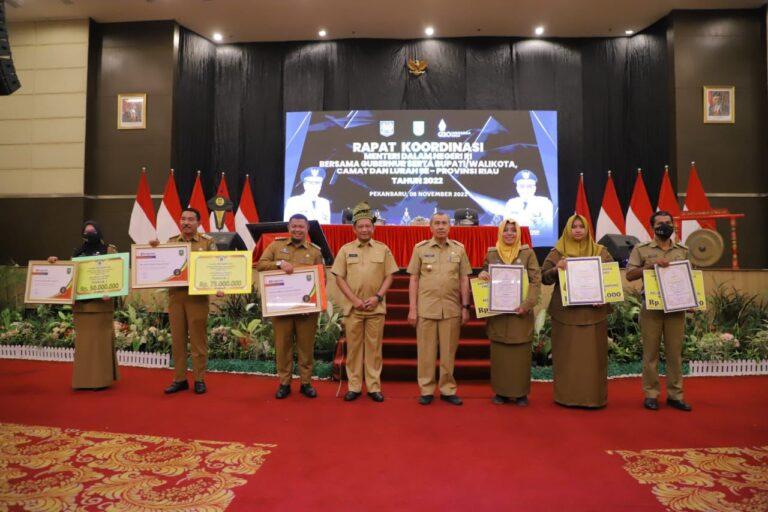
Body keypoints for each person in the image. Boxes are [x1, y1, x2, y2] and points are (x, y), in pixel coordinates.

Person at [541, 214, 613, 408]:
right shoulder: (558, 252)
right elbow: (544, 277)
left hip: (593, 314)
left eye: (582, 226)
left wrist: (603, 296)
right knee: (567, 356)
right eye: (574, 227)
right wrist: (557, 268)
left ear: (587, 229)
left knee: (593, 359)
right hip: (566, 314)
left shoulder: (600, 251)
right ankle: (566, 397)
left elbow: (610, 279)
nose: (578, 230)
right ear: (568, 230)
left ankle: (593, 398)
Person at [331, 202, 399, 402]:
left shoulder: (383, 249)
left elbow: (390, 276)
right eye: (360, 226)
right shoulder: (345, 250)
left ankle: (373, 386)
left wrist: (377, 297)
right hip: (353, 309)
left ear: (373, 228)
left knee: (374, 349)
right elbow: (339, 278)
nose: (364, 229)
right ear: (354, 229)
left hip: (375, 307)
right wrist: (355, 300)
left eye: (368, 226)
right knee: (353, 349)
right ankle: (353, 386)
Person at [626, 211, 692, 412]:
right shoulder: (642, 249)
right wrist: (650, 266)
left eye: (668, 223)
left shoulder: (683, 250)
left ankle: (675, 395)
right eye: (660, 223)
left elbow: (691, 276)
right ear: (652, 227)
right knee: (651, 353)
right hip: (652, 307)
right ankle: (651, 394)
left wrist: (692, 300)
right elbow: (629, 275)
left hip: (677, 308)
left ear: (673, 225)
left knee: (675, 354)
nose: (665, 226)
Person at [151, 208, 220, 395]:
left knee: (198, 340)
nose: (186, 222)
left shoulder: (207, 243)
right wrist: (153, 250)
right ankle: (179, 379)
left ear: (198, 223)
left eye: (190, 219)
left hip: (196, 298)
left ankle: (199, 379)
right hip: (176, 298)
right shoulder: (171, 243)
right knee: (178, 340)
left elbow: (216, 267)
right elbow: (161, 266)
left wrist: (219, 286)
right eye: (183, 219)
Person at [407, 212, 472, 405]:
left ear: (450, 226)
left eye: (444, 223)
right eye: (437, 223)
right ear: (431, 227)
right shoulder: (420, 249)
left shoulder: (459, 249)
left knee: (448, 353)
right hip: (426, 308)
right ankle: (426, 389)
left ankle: (447, 389)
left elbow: (464, 279)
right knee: (426, 353)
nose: (441, 226)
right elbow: (414, 279)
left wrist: (465, 306)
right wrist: (412, 308)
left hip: (451, 309)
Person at [257, 213, 325, 399]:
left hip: (306, 310)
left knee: (306, 348)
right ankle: (284, 383)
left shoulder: (315, 251)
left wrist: (314, 304)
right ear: (289, 228)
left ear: (307, 229)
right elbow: (261, 265)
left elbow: (321, 280)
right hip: (282, 308)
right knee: (283, 346)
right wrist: (279, 263)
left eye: (301, 226)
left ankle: (306, 383)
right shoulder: (276, 246)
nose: (297, 229)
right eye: (294, 226)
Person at [48, 221, 119, 390]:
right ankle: (83, 381)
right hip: (81, 308)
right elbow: (69, 275)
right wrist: (54, 264)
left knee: (99, 344)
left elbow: (117, 274)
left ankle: (101, 380)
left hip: (101, 306)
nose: (89, 233)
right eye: (86, 231)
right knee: (84, 345)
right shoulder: (77, 252)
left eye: (93, 230)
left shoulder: (109, 250)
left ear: (99, 232)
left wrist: (112, 291)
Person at [478, 217, 541, 406]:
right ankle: (501, 392)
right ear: (500, 232)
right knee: (500, 354)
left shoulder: (527, 253)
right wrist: (482, 275)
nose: (509, 234)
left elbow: (535, 281)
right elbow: (484, 274)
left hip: (520, 313)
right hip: (498, 315)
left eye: (513, 230)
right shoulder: (492, 253)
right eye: (506, 230)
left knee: (520, 354)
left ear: (518, 233)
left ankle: (520, 393)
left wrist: (527, 304)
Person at [504, 170, 554, 238]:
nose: (525, 189)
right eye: (522, 186)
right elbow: (506, 230)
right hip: (516, 241)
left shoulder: (545, 203)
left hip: (540, 239)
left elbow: (550, 229)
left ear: (535, 188)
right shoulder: (510, 204)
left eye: (529, 186)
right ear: (517, 188)